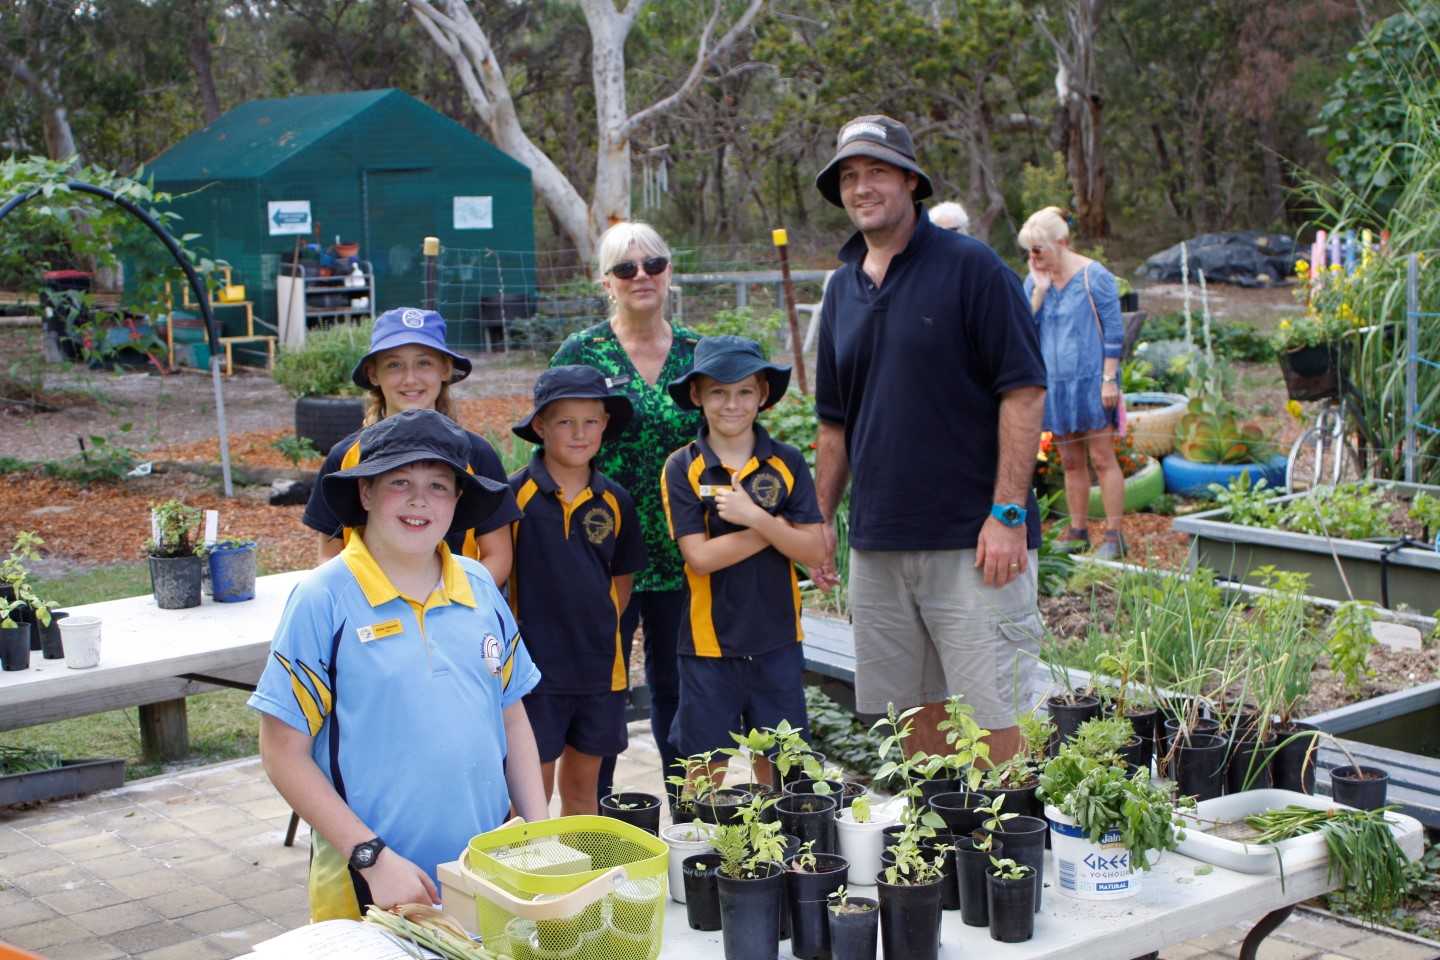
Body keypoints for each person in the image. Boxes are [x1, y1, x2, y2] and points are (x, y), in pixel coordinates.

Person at [810, 115, 1048, 764]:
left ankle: (1008, 850)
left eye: (877, 172)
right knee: (909, 712)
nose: (862, 187)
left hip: (973, 541)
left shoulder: (972, 270)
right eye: (850, 177)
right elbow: (835, 421)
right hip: (881, 543)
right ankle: (942, 844)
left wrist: (1007, 513)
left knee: (995, 709)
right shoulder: (842, 289)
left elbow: (1024, 392)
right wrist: (819, 520)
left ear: (911, 181)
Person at [249, 409, 547, 922]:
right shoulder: (324, 599)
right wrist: (371, 857)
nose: (418, 500)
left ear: (458, 500)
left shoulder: (478, 587)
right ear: (364, 494)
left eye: (438, 485)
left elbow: (512, 717)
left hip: (484, 871)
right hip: (368, 883)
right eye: (399, 482)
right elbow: (282, 754)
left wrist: (539, 835)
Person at [550, 222, 702, 802]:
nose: (642, 276)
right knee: (599, 687)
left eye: (654, 264)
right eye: (625, 268)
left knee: (678, 688)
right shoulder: (582, 354)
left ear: (669, 272)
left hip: (682, 550)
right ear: (605, 282)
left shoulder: (695, 353)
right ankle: (599, 824)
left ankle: (689, 822)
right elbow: (553, 443)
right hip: (598, 553)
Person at [661, 336, 826, 781]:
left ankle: (780, 851)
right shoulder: (683, 467)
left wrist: (756, 518)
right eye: (718, 391)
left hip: (777, 642)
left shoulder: (787, 462)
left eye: (744, 392)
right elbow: (699, 557)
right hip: (708, 645)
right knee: (704, 770)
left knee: (782, 769)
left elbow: (816, 550)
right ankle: (703, 847)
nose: (731, 404)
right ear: (697, 395)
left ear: (763, 395)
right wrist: (777, 531)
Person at [508, 365, 647, 815]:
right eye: (565, 421)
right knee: (531, 795)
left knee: (585, 791)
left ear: (605, 425)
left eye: (590, 421)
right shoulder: (513, 497)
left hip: (599, 670)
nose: (579, 433)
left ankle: (580, 879)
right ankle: (529, 879)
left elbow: (621, 584)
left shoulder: (616, 500)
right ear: (540, 426)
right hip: (534, 673)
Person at [302, 307, 520, 585]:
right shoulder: (346, 457)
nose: (410, 379)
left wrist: (457, 604)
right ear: (373, 373)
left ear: (445, 369)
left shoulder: (476, 454)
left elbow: (498, 556)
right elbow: (329, 556)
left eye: (424, 363)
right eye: (394, 364)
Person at [1020, 205, 1127, 559]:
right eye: (1029, 251)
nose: (1034, 257)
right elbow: (1022, 329)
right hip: (1056, 385)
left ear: (1061, 242)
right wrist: (1038, 290)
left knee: (1101, 455)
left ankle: (1114, 535)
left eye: (1039, 249)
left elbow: (1114, 330)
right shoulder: (1035, 281)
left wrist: (1109, 379)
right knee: (1068, 460)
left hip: (1093, 381)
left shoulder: (1093, 277)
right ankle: (1078, 529)